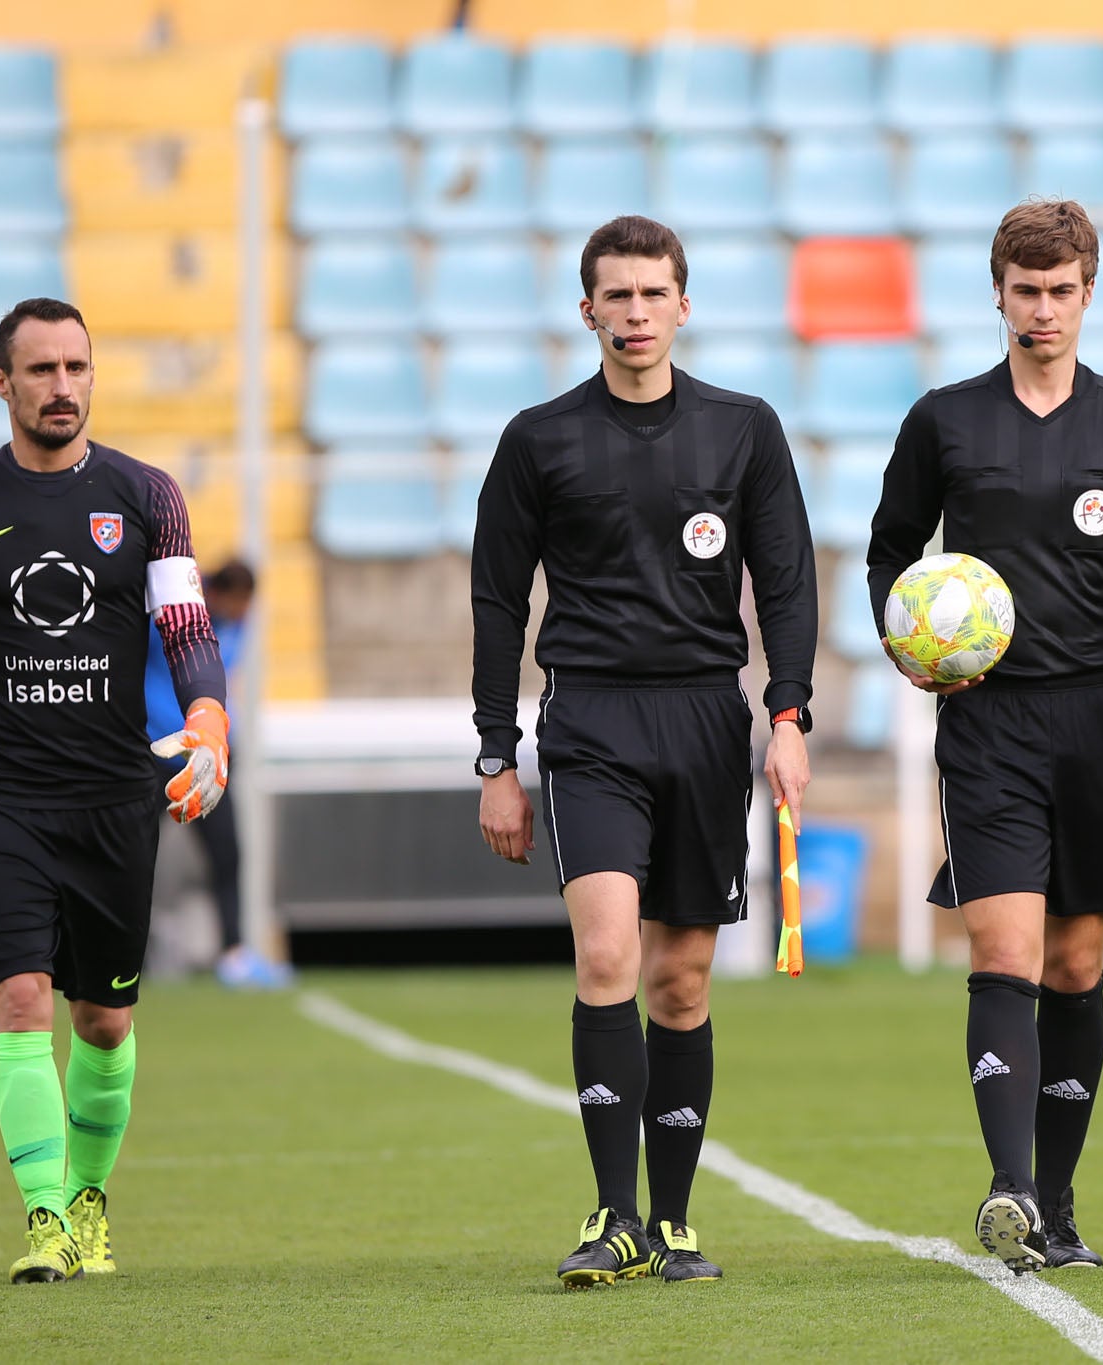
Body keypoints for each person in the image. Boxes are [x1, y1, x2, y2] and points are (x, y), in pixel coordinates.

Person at [867, 199, 1103, 1274]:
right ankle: (1009, 1186)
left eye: (1061, 291)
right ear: (998, 294)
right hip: (987, 722)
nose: (1042, 310)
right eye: (1025, 291)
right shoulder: (944, 421)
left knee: (1075, 960)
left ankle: (1057, 1207)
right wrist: (908, 643)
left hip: (1096, 720)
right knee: (1006, 951)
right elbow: (888, 552)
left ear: (1087, 293)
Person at [471, 216, 817, 1286]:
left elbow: (786, 580)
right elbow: (497, 601)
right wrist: (496, 757)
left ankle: (672, 1224)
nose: (634, 314)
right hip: (591, 723)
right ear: (586, 311)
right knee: (608, 957)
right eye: (615, 296)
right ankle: (612, 1215)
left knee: (679, 980)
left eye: (651, 294)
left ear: (683, 305)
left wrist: (788, 715)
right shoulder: (538, 439)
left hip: (706, 721)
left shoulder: (744, 429)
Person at [0, 298, 228, 1282]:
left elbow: (187, 627)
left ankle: (88, 1199)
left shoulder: (146, 494)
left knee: (105, 1021)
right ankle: (44, 1220)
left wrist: (208, 715)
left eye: (76, 367)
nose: (62, 387)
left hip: (116, 798)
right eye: (41, 370)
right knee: (20, 998)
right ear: (3, 383)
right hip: (0, 798)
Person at [145, 559, 286, 990]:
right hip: (157, 750)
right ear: (220, 594)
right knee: (131, 857)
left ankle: (234, 955)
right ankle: (116, 952)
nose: (246, 612)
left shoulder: (238, 624)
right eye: (240, 602)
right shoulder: (171, 615)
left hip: (207, 756)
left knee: (228, 855)